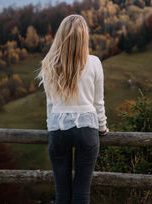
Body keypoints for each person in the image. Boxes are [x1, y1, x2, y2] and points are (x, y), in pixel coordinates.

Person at [36, 14, 109, 204]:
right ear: (84, 37)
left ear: (60, 36)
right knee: (81, 193)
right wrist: (102, 127)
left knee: (62, 193)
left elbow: (50, 104)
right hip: (87, 129)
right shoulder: (94, 63)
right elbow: (98, 102)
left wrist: (50, 127)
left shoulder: (49, 63)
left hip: (58, 130)